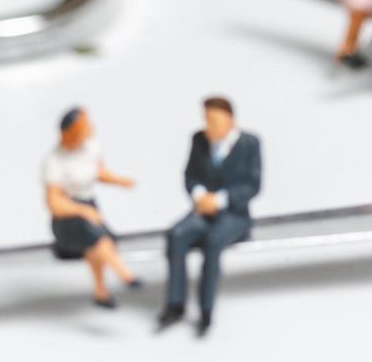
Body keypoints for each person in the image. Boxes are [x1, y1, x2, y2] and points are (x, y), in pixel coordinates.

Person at [157, 97, 262, 337]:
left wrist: (221, 200)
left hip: (234, 216)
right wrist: (199, 195)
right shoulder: (199, 140)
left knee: (213, 241)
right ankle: (175, 304)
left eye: (214, 121)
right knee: (176, 235)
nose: (209, 127)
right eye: (206, 120)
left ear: (230, 121)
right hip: (202, 211)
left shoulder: (249, 144)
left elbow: (252, 185)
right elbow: (190, 175)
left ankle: (206, 311)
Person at [42, 107, 140, 308]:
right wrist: (82, 211)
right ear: (70, 131)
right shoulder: (55, 160)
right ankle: (126, 276)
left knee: (95, 248)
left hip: (90, 206)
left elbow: (98, 173)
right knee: (100, 241)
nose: (89, 129)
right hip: (67, 215)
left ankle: (100, 292)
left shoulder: (90, 147)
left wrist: (120, 181)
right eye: (84, 126)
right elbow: (54, 202)